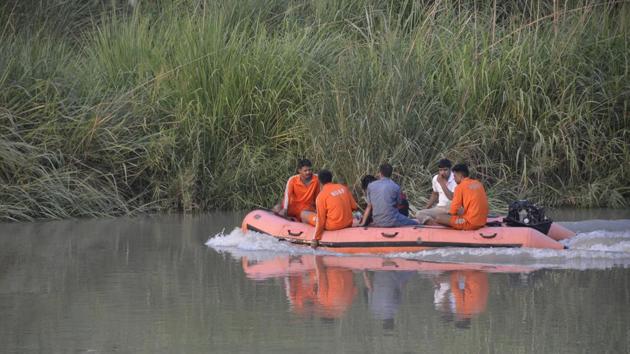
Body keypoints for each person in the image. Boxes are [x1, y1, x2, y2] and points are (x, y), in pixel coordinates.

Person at [430, 163, 489, 230]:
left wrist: (447, 218)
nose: (454, 179)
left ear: (460, 175)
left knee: (439, 218)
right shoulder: (478, 183)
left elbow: (453, 210)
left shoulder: (460, 187)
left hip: (470, 223)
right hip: (482, 221)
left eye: (454, 176)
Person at [309, 170, 358, 248]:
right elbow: (354, 207)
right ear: (331, 178)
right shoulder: (343, 188)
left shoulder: (321, 196)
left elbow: (321, 220)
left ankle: (304, 227)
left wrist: (315, 238)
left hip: (333, 226)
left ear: (319, 181)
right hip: (348, 223)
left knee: (305, 214)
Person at [360, 163, 418, 227]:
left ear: (380, 173)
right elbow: (399, 203)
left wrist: (363, 223)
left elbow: (369, 206)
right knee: (415, 223)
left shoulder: (370, 186)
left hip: (377, 221)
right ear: (391, 174)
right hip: (393, 219)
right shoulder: (396, 187)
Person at [273, 159, 320, 224]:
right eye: (305, 170)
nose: (308, 172)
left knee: (307, 215)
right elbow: (287, 196)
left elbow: (319, 195)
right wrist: (285, 209)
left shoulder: (317, 178)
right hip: (293, 206)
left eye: (310, 170)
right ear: (299, 171)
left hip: (307, 208)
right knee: (277, 208)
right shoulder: (292, 180)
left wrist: (318, 209)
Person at [415, 159, 457, 224]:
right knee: (419, 214)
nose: (442, 172)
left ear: (450, 169)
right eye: (440, 170)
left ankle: (441, 221)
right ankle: (437, 223)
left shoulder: (455, 178)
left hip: (452, 208)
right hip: (440, 208)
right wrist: (426, 208)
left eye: (445, 170)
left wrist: (441, 183)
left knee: (448, 212)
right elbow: (435, 194)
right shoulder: (435, 178)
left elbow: (451, 197)